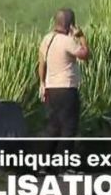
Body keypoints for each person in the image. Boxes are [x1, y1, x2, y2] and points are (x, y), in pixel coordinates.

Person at [38, 9, 90, 147]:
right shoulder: (68, 42)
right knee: (68, 129)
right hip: (66, 89)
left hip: (50, 89)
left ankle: (44, 166)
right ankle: (63, 167)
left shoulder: (46, 39)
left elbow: (42, 64)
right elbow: (85, 55)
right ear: (71, 24)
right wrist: (81, 37)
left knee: (52, 128)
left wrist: (42, 83)